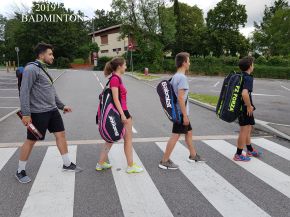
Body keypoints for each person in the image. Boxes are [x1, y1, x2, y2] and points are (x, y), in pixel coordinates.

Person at [15, 42, 82, 184]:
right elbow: (24, 91)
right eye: (50, 54)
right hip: (38, 112)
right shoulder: (31, 69)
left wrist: (61, 106)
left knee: (61, 134)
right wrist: (26, 113)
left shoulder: (42, 68)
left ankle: (67, 163)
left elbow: (50, 90)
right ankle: (20, 170)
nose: (53, 56)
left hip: (52, 110)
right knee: (31, 141)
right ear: (41, 55)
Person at [96, 57, 143, 174]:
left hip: (119, 112)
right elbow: (116, 99)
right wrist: (123, 115)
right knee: (128, 140)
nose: (126, 67)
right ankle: (131, 166)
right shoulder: (115, 79)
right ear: (119, 66)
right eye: (125, 65)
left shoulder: (114, 78)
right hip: (122, 112)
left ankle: (100, 164)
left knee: (109, 139)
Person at [159, 52, 205, 170]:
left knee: (189, 132)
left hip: (179, 112)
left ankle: (193, 155)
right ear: (184, 62)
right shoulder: (182, 78)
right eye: (188, 61)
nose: (189, 63)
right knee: (175, 135)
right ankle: (164, 160)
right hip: (180, 113)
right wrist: (184, 115)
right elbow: (180, 97)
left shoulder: (175, 76)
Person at [234, 56, 262, 161]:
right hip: (245, 108)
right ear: (250, 66)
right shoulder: (248, 78)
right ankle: (238, 154)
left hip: (241, 107)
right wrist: (249, 106)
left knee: (248, 128)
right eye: (253, 64)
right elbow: (245, 93)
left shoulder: (241, 76)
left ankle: (249, 150)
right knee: (244, 130)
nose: (253, 66)